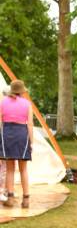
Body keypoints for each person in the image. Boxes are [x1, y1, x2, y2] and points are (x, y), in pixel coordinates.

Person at [0, 80, 33, 209]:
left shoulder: (3, 102)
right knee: (23, 169)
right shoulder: (27, 104)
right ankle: (26, 200)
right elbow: (29, 124)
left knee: (9, 169)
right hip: (22, 135)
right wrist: (31, 141)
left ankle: (11, 198)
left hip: (7, 134)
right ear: (22, 91)